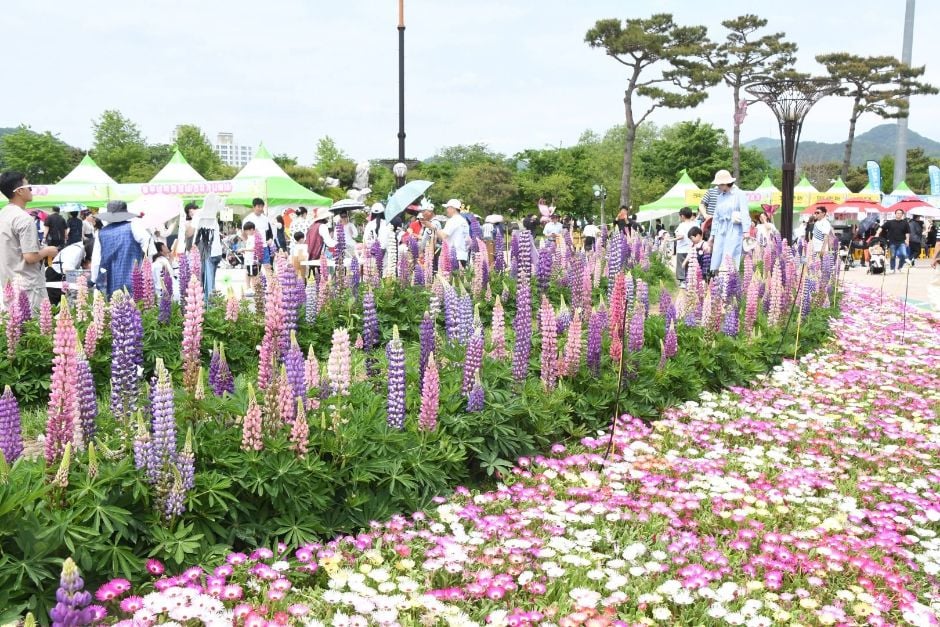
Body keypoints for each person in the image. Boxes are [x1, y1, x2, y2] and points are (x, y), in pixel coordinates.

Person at [0, 172, 59, 312]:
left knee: (13, 324)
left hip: (8, 285)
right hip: (28, 287)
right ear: (19, 191)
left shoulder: (3, 214)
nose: (31, 190)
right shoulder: (24, 218)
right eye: (29, 187)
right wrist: (47, 251)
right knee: (34, 324)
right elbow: (30, 257)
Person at [91, 200, 156, 298]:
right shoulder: (133, 226)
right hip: (134, 279)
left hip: (111, 281)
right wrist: (147, 265)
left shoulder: (101, 233)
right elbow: (149, 242)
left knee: (115, 304)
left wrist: (94, 279)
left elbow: (96, 261)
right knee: (137, 304)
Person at [707, 170, 747, 274]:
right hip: (721, 229)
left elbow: (745, 214)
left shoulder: (739, 194)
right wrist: (712, 235)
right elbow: (716, 217)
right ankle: (718, 280)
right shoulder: (720, 197)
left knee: (730, 256)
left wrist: (746, 231)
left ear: (725, 183)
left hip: (734, 228)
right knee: (718, 255)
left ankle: (730, 280)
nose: (718, 187)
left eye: (719, 184)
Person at [193, 196, 224, 302]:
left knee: (207, 280)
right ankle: (211, 301)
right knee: (211, 279)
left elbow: (194, 233)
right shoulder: (214, 216)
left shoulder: (200, 214)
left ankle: (208, 302)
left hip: (208, 252)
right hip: (217, 252)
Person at [45, 238, 94, 306]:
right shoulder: (75, 250)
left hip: (63, 279)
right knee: (56, 306)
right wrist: (86, 275)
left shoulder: (82, 248)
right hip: (55, 277)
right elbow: (67, 271)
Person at [425, 199, 470, 268]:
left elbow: (443, 236)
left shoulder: (453, 220)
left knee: (451, 275)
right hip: (463, 256)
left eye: (447, 208)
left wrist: (432, 227)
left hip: (453, 257)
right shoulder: (463, 221)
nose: (446, 210)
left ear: (453, 208)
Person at [242, 198, 273, 271]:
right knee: (255, 271)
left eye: (262, 207)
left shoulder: (265, 219)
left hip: (264, 247)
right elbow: (243, 234)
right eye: (258, 206)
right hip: (253, 250)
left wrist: (270, 240)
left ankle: (270, 279)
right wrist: (248, 244)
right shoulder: (248, 219)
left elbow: (269, 233)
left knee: (268, 267)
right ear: (253, 207)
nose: (260, 209)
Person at [672, 207, 695, 287]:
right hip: (692, 248)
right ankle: (691, 281)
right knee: (690, 265)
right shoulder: (695, 224)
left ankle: (683, 282)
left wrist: (672, 239)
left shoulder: (682, 225)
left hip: (682, 249)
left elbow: (681, 236)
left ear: (682, 216)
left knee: (681, 265)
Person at [241, 222, 261, 291]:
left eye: (247, 231)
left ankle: (254, 289)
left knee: (253, 275)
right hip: (248, 260)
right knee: (248, 273)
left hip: (252, 261)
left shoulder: (255, 238)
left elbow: (254, 249)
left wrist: (244, 249)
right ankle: (249, 288)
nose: (246, 232)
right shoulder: (250, 237)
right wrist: (245, 251)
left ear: (251, 229)